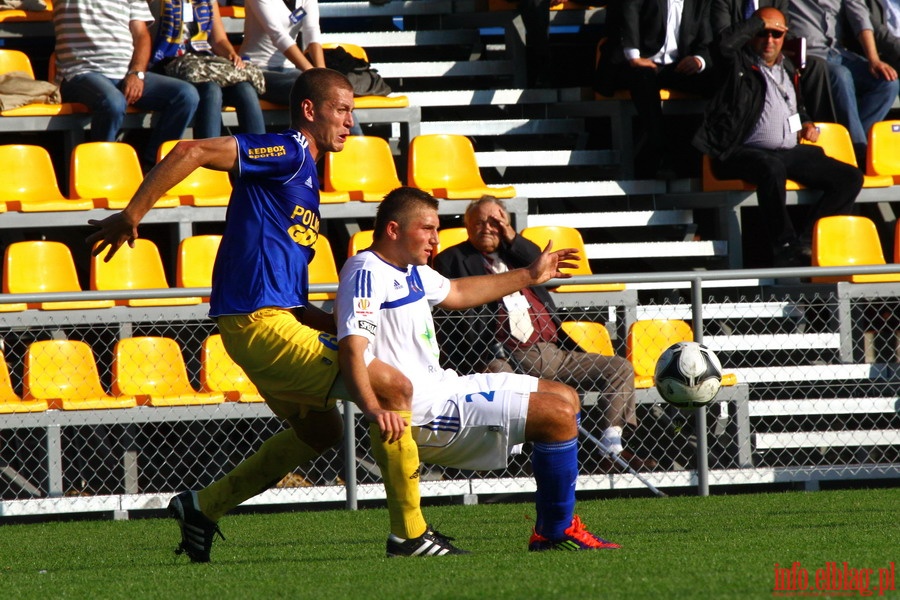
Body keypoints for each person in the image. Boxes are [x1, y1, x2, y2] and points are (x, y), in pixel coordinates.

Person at [86, 68, 434, 562]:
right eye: (342, 110)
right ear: (311, 111)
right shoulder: (289, 151)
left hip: (268, 323)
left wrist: (340, 325)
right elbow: (190, 151)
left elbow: (291, 300)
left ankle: (203, 507)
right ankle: (411, 537)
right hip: (260, 325)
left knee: (323, 432)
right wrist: (132, 215)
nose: (350, 123)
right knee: (393, 389)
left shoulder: (305, 177)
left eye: (352, 111)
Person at [336, 186, 622, 552]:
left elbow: (457, 292)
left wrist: (530, 274)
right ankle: (555, 531)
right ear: (393, 230)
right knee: (557, 416)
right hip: (424, 412)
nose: (435, 239)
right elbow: (352, 349)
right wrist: (374, 410)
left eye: (437, 229)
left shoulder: (409, 269)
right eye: (426, 229)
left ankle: (556, 521)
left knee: (564, 396)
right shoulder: (366, 270)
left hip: (444, 387)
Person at [432, 196, 654, 472]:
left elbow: (540, 262)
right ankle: (517, 461)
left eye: (495, 221)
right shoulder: (452, 259)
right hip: (499, 353)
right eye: (479, 222)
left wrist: (511, 235)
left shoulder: (520, 255)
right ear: (467, 226)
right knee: (504, 386)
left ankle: (610, 446)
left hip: (551, 352)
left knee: (619, 368)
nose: (487, 228)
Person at [693, 7, 863, 267]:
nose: (769, 40)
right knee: (770, 167)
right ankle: (784, 244)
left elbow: (795, 106)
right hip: (740, 150)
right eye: (763, 33)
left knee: (850, 176)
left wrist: (805, 122)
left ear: (785, 37)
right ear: (752, 34)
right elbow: (722, 47)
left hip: (786, 152)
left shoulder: (789, 66)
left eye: (776, 34)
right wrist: (755, 23)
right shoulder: (737, 64)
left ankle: (808, 241)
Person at [53, 0, 200, 168]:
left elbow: (141, 35)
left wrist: (137, 73)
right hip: (80, 71)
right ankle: (102, 169)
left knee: (185, 95)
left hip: (124, 72)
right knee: (113, 102)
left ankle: (155, 168)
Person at [595, 0, 718, 178]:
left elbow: (706, 41)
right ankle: (660, 150)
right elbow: (628, 10)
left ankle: (710, 153)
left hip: (675, 66)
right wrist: (634, 56)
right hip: (632, 62)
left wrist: (699, 60)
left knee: (718, 80)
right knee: (643, 77)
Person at [787, 0, 899, 165]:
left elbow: (860, 16)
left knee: (887, 82)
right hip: (809, 55)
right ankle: (860, 153)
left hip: (837, 52)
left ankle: (853, 145)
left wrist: (874, 59)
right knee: (841, 75)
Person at [149, 0, 266, 138]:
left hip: (202, 64)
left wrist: (231, 55)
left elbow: (218, 40)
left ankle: (259, 153)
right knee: (211, 89)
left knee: (245, 89)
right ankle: (209, 155)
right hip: (167, 62)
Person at [709, 0, 837, 123]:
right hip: (739, 58)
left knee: (816, 65)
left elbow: (784, 32)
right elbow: (724, 41)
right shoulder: (724, 1)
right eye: (763, 33)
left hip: (772, 55)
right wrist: (758, 24)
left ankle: (816, 129)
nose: (769, 37)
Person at [241, 0, 325, 107]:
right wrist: (314, 74)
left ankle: (346, 123)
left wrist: (323, 74)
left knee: (332, 90)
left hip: (289, 69)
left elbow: (312, 30)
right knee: (310, 91)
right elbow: (278, 35)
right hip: (256, 69)